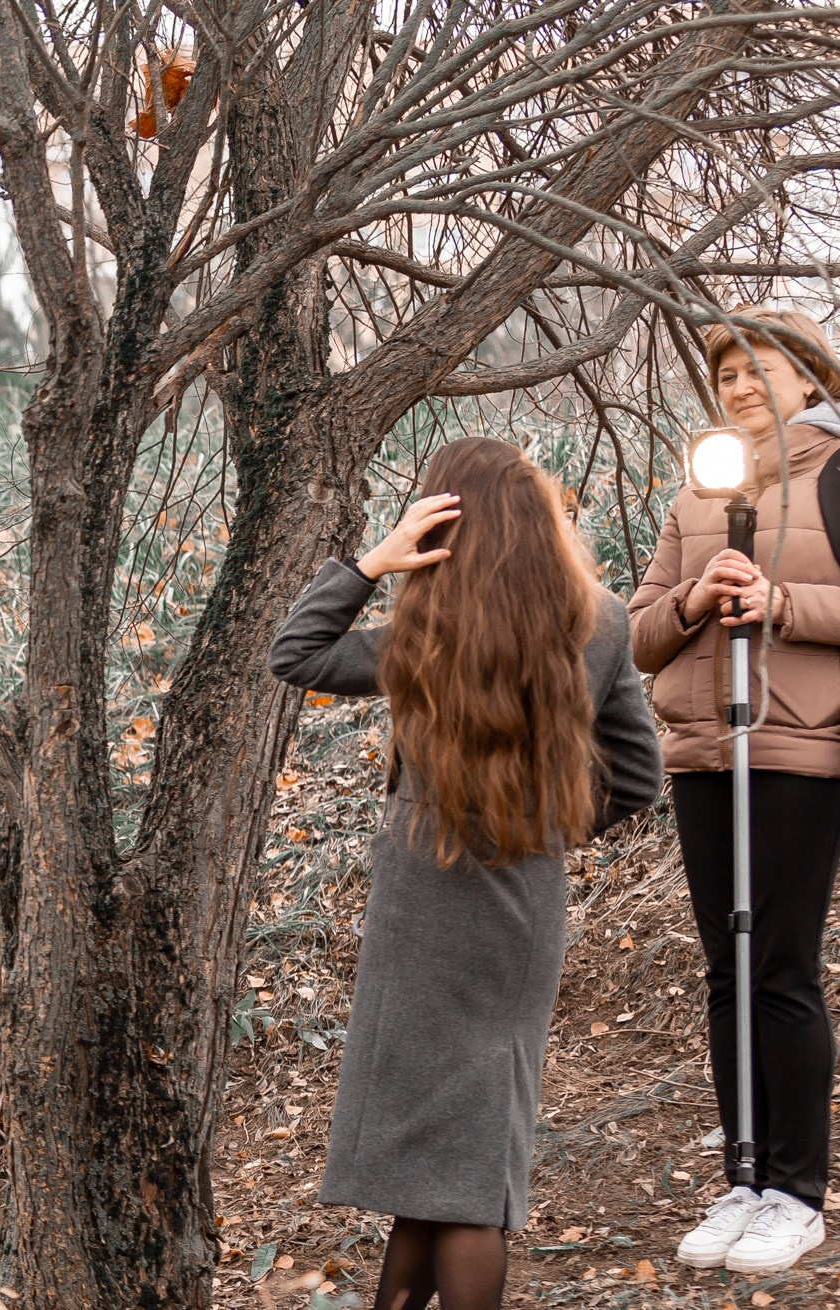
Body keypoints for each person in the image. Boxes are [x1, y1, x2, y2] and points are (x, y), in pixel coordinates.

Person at [271, 438, 662, 1309]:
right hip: (522, 906)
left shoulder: (422, 630)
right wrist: (545, 826)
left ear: (442, 521)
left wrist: (372, 560)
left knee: (446, 1175)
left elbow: (295, 651)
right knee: (456, 1169)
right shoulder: (595, 621)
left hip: (420, 902)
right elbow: (637, 777)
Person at [633, 306, 840, 1275]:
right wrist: (690, 597)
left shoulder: (835, 475)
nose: (742, 386)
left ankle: (796, 1192)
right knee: (725, 969)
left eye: (759, 369)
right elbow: (634, 635)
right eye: (726, 375)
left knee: (781, 967)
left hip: (798, 754)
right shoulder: (693, 499)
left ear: (807, 377)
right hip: (704, 756)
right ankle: (741, 1177)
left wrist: (780, 602)